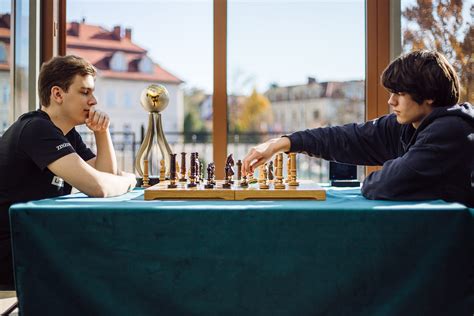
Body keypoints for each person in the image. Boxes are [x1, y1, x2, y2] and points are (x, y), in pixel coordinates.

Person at [242, 50, 474, 207]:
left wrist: (374, 177)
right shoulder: (411, 125)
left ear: (430, 96)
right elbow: (348, 137)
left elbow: (388, 183)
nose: (390, 101)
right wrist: (282, 143)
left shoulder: (451, 131)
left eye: (400, 94)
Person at [0, 55, 137, 287]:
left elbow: (106, 178)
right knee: (113, 258)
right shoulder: (36, 129)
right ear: (57, 94)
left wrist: (101, 133)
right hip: (11, 252)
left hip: (35, 241)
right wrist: (130, 180)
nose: (93, 101)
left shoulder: (65, 134)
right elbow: (100, 187)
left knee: (116, 249)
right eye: (85, 92)